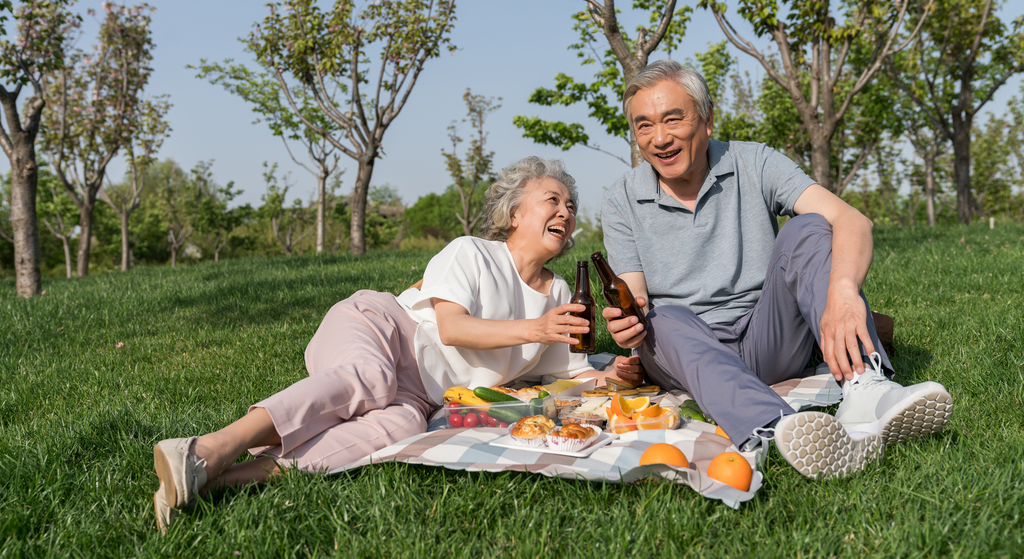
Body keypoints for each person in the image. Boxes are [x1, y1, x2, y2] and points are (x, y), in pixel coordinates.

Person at [152, 156, 643, 532]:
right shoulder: (471, 252)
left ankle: (216, 485)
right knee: (369, 378)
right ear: (514, 213)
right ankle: (208, 449)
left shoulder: (558, 291)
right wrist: (535, 329)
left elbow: (564, 370)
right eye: (552, 200)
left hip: (422, 395)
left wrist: (612, 375)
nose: (566, 211)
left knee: (395, 430)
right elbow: (452, 328)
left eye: (571, 206)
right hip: (382, 328)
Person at [600, 60, 952, 479]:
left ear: (707, 120)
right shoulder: (621, 200)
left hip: (767, 339)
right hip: (689, 348)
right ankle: (777, 427)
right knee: (661, 317)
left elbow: (852, 221)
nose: (659, 138)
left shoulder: (755, 162)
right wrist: (628, 325)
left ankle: (867, 388)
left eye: (673, 119)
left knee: (809, 226)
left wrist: (843, 293)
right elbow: (634, 303)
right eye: (644, 126)